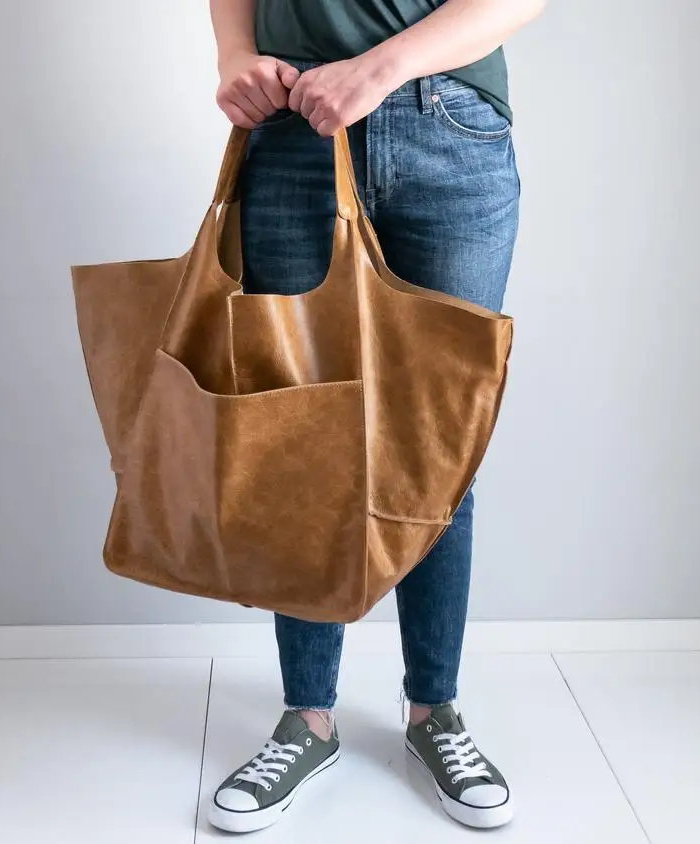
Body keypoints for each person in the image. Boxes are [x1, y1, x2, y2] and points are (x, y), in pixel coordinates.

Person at [207, 0, 545, 833]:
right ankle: (308, 719)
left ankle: (435, 712)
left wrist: (380, 68)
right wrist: (234, 53)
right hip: (294, 130)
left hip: (447, 126)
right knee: (301, 444)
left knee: (439, 451)